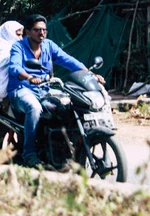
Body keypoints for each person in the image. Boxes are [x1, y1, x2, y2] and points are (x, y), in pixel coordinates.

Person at [8, 14, 105, 168]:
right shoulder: (18, 47)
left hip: (45, 89)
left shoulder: (49, 45)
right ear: (27, 32)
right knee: (34, 108)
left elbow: (68, 60)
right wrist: (28, 77)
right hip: (22, 89)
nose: (42, 33)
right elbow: (14, 67)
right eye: (37, 30)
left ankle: (64, 147)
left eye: (44, 30)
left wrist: (90, 74)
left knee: (67, 106)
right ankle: (29, 154)